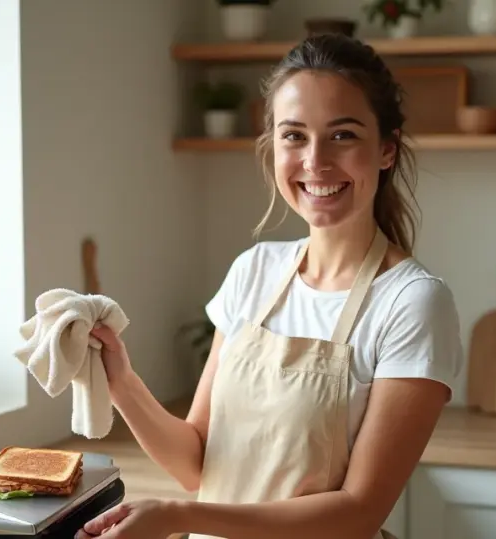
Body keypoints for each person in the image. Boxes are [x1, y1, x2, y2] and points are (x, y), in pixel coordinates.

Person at [80, 33, 465, 539]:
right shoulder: (253, 270)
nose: (316, 161)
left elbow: (359, 511)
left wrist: (180, 515)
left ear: (387, 149)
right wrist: (120, 380)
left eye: (343, 135)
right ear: (273, 146)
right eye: (294, 135)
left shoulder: (411, 302)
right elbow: (198, 460)